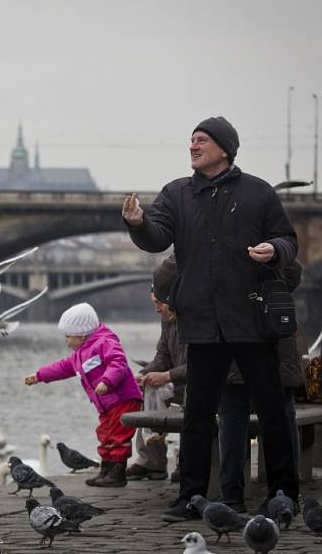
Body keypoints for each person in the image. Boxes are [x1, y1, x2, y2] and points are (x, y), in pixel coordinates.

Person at [122, 115, 300, 522]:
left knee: (272, 411)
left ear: (224, 148)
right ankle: (191, 497)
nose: (192, 146)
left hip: (252, 320)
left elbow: (288, 239)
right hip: (202, 323)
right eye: (191, 140)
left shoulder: (258, 193)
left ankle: (283, 492)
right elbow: (157, 236)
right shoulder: (177, 194)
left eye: (201, 140)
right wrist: (137, 223)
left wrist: (274, 248)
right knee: (198, 415)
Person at [217, 260, 306, 513]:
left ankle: (233, 494)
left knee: (235, 419)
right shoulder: (274, 243)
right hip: (273, 337)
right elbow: (293, 275)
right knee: (281, 418)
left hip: (240, 337)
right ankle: (285, 493)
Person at [24, 302, 143, 487]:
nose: (66, 341)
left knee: (118, 436)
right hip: (106, 404)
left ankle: (118, 473)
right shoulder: (80, 354)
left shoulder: (105, 342)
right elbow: (62, 367)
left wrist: (107, 381)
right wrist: (40, 375)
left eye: (68, 336)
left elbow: (118, 362)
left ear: (81, 334)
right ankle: (106, 469)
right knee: (104, 434)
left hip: (123, 399)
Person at [127, 254, 188, 482]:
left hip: (205, 385)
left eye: (158, 303)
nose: (156, 309)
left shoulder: (195, 318)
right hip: (181, 382)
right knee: (149, 387)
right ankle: (151, 462)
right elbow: (163, 355)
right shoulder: (167, 320)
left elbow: (202, 367)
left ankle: (188, 460)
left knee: (193, 398)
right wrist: (144, 375)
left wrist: (167, 376)